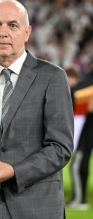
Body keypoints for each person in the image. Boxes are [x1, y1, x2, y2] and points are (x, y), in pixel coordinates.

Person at [0, 0, 74, 219]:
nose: (3, 32)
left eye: (12, 25)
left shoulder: (52, 77)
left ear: (27, 32)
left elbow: (60, 148)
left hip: (37, 207)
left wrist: (14, 171)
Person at [66, 64, 93, 210]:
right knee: (78, 167)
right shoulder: (83, 93)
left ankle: (80, 200)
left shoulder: (82, 92)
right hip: (84, 139)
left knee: (77, 168)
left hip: (84, 139)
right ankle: (79, 198)